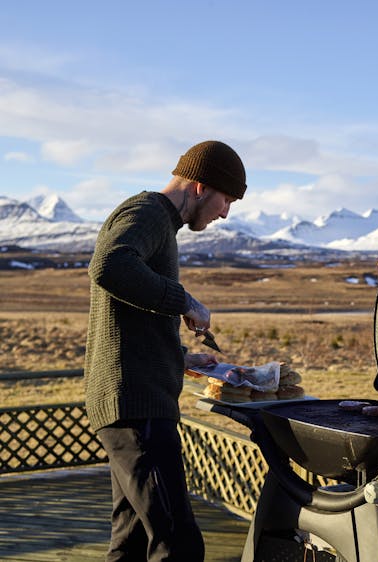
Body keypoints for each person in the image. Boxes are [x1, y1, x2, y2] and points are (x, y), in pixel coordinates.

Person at [84, 140, 247, 561]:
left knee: (132, 543)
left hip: (132, 401)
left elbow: (130, 320)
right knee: (178, 543)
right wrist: (184, 301)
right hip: (137, 406)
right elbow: (109, 266)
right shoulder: (149, 212)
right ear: (198, 186)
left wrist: (181, 357)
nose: (226, 212)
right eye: (226, 199)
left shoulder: (156, 221)